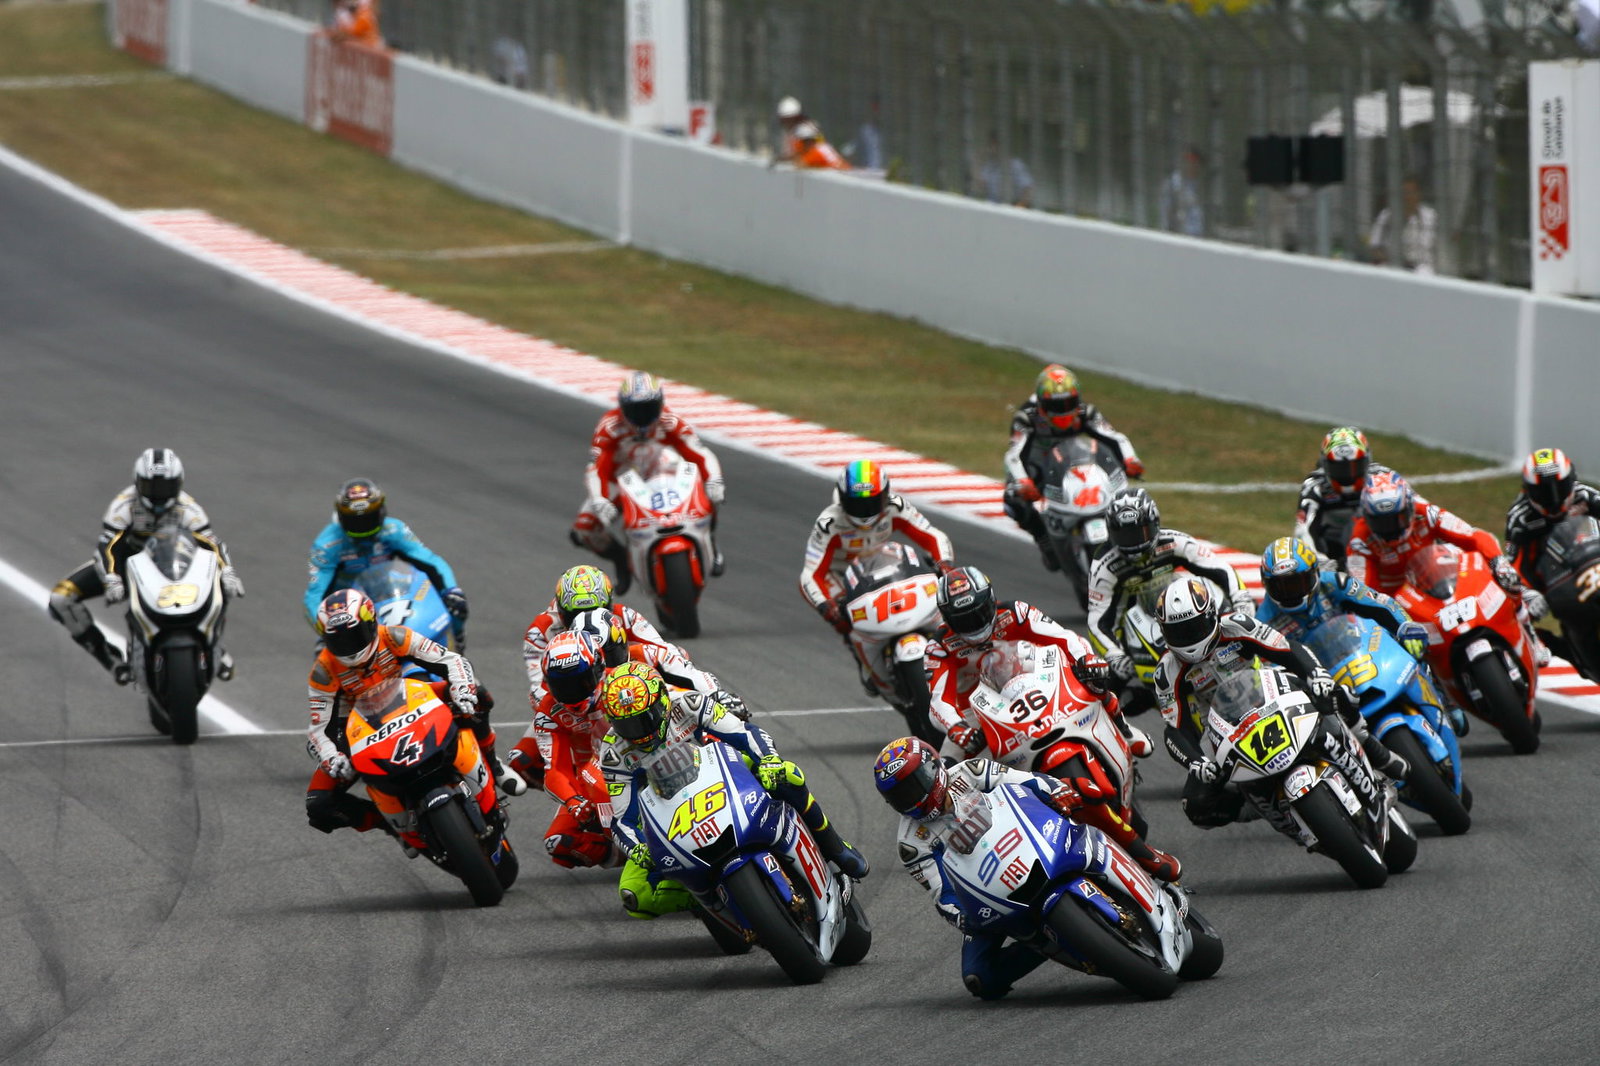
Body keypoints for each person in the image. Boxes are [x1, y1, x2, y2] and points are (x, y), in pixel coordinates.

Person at [871, 736, 1180, 1000]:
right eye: (899, 796)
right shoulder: (911, 842)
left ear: (933, 769)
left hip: (1030, 841)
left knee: (1085, 795)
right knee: (980, 978)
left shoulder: (970, 772)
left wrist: (1055, 789)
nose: (910, 799)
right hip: (989, 890)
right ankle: (1055, 941)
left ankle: (1145, 858)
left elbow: (1024, 780)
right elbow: (941, 893)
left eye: (913, 786)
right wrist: (961, 916)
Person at [923, 567, 1172, 871]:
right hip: (977, 713)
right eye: (964, 620)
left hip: (1030, 684)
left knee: (1092, 680)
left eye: (978, 613)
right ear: (948, 620)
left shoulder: (1015, 612)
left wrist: (1086, 658)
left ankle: (1124, 731)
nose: (974, 624)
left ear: (990, 600)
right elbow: (938, 701)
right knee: (948, 773)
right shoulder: (938, 647)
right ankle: (982, 843)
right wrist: (956, 727)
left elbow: (1064, 637)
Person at [601, 661, 868, 915]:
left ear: (662, 703)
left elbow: (744, 732)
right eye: (626, 725)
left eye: (644, 719)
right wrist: (636, 848)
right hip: (667, 815)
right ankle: (712, 904)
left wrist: (769, 760)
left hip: (719, 776)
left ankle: (833, 846)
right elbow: (622, 819)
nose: (637, 732)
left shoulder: (688, 704)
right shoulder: (613, 753)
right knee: (634, 894)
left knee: (786, 775)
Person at [1152, 576, 1409, 830]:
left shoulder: (1237, 625)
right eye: (1178, 632)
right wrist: (1195, 761)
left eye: (1193, 628)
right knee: (1196, 805)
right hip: (1220, 729)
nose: (1188, 638)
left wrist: (1316, 674)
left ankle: (1373, 750)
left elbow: (1287, 649)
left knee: (1333, 692)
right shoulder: (1166, 672)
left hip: (1271, 691)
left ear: (1211, 616)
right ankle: (1265, 808)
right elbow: (1174, 728)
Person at [302, 587, 523, 841]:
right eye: (338, 640)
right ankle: (390, 826)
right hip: (357, 727)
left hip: (407, 700)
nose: (348, 646)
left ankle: (492, 764)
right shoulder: (323, 671)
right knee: (318, 805)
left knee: (479, 694)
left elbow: (451, 660)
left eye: (354, 635)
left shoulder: (394, 636)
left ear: (371, 623)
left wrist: (462, 687)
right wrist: (331, 757)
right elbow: (318, 729)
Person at [509, 592, 738, 791]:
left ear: (621, 644)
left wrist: (718, 697)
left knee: (721, 727)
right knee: (521, 761)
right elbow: (540, 691)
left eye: (610, 653)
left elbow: (688, 673)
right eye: (599, 659)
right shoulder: (563, 665)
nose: (608, 665)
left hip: (665, 730)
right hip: (604, 753)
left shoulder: (647, 652)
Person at [50, 447, 244, 682]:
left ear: (179, 483)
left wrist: (228, 572)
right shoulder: (123, 506)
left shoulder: (189, 508)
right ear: (137, 482)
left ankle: (214, 646)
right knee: (61, 599)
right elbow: (107, 547)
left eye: (165, 487)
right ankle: (110, 659)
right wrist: (112, 577)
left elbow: (212, 544)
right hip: (127, 565)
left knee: (221, 582)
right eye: (151, 486)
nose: (158, 495)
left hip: (177, 565)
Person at [1257, 535, 1467, 736]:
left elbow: (1381, 603)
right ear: (1266, 585)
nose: (1290, 593)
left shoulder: (1335, 582)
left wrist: (1406, 626)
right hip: (1325, 680)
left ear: (1315, 573)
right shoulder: (1263, 621)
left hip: (1364, 649)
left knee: (1411, 644)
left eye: (1297, 583)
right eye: (1280, 586)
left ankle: (1441, 696)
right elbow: (1266, 670)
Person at [571, 371, 725, 595]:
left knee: (709, 488)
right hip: (621, 480)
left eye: (649, 408)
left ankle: (709, 536)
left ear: (660, 404)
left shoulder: (670, 421)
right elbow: (596, 468)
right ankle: (621, 560)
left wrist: (714, 480)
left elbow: (699, 452)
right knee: (585, 528)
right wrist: (599, 500)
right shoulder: (610, 426)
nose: (643, 416)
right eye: (636, 410)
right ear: (623, 407)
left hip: (662, 473)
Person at [1084, 488, 1250, 687]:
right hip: (1131, 627)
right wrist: (1114, 655)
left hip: (1174, 611)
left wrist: (1241, 599)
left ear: (1155, 523)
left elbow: (1219, 568)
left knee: (1244, 625)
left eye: (1140, 532)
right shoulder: (1104, 566)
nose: (1134, 542)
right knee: (1110, 681)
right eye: (1124, 536)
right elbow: (1097, 619)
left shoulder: (1174, 541)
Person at [798, 459, 955, 647]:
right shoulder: (828, 524)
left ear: (885, 495)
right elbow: (810, 574)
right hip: (841, 576)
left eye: (872, 503)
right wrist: (826, 606)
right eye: (857, 505)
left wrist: (944, 565)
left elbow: (932, 536)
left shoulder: (896, 507)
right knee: (846, 625)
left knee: (937, 603)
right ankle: (867, 659)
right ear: (843, 500)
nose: (865, 512)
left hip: (879, 564)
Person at [1003, 364, 1144, 571]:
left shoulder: (1086, 412)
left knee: (1117, 481)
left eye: (1069, 403)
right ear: (1041, 403)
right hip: (1037, 461)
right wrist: (1023, 481)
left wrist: (1131, 460)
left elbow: (1115, 438)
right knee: (1013, 499)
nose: (1063, 411)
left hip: (1074, 456)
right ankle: (1044, 540)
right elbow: (1014, 456)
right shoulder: (1025, 417)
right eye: (1054, 405)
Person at [303, 478, 469, 649]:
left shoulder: (394, 530)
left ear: (381, 510)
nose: (362, 527)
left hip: (389, 594)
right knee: (323, 652)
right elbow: (314, 595)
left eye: (369, 518)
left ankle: (457, 643)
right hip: (349, 610)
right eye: (355, 521)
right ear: (340, 516)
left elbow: (431, 562)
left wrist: (450, 589)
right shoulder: (327, 545)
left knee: (456, 603)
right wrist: (325, 629)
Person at [1292, 427, 1403, 568]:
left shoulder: (1384, 478)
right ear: (1325, 466)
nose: (1348, 474)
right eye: (1339, 468)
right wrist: (1319, 560)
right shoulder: (1315, 486)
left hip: (1381, 547)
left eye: (1356, 466)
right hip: (1333, 555)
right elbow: (1303, 529)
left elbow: (1415, 509)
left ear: (1367, 461)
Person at [1505, 447, 1600, 585]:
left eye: (1560, 488)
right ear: (1528, 490)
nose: (1554, 499)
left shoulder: (1586, 496)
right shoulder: (1520, 518)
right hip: (1552, 582)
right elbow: (1516, 568)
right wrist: (1533, 593)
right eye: (1543, 492)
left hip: (1592, 562)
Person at [1368, 176, 1437, 274]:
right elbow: (1374, 246)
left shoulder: (1430, 216)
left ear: (1418, 194)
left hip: (1422, 267)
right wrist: (1388, 258)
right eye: (1404, 193)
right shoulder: (1386, 215)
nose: (1407, 197)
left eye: (1411, 192)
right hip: (1392, 265)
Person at [976, 133, 1032, 208]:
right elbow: (980, 186)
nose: (991, 149)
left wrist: (1018, 208)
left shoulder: (1016, 165)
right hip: (991, 206)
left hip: (1011, 206)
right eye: (990, 146)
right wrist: (979, 158)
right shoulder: (990, 165)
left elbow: (1027, 189)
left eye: (994, 145)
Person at [1159, 147, 1204, 237]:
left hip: (1198, 237)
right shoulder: (1174, 184)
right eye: (1189, 160)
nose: (1192, 165)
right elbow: (1166, 213)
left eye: (1195, 162)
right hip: (1180, 237)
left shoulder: (1199, 184)